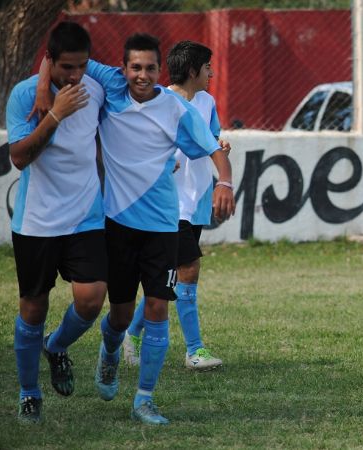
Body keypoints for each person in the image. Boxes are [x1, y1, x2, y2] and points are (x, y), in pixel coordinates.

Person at [35, 33, 235, 425]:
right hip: (117, 224)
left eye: (149, 68)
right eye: (135, 68)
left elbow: (214, 148)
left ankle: (144, 399)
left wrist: (224, 183)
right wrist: (44, 86)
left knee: (159, 305)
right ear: (122, 69)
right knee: (121, 316)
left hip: (163, 226)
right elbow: (56, 54)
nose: (142, 76)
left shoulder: (176, 108)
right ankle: (109, 351)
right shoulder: (111, 86)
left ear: (160, 72)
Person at [5, 21, 106, 423]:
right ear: (49, 61)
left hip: (86, 216)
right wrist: (55, 115)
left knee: (91, 298)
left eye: (82, 66)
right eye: (66, 67)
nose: (76, 75)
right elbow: (19, 157)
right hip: (37, 221)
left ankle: (57, 346)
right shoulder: (24, 95)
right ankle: (29, 393)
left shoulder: (96, 89)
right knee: (33, 307)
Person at [122, 40, 229, 372]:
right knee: (189, 268)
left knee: (168, 278)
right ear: (194, 70)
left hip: (194, 201)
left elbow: (211, 137)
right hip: (168, 203)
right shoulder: (161, 99)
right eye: (208, 67)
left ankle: (131, 333)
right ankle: (194, 350)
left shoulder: (207, 101)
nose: (212, 72)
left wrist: (221, 143)